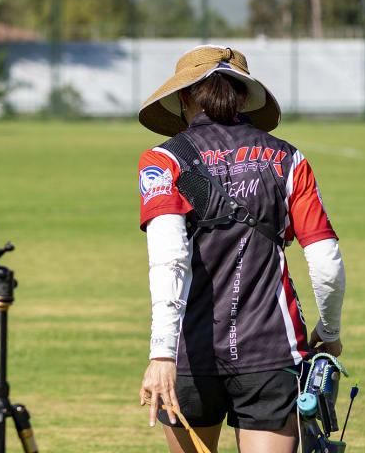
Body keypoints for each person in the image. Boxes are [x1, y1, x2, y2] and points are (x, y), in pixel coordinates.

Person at [134, 45, 345, 453]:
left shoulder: (162, 160)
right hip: (271, 350)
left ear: (182, 98)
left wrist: (161, 354)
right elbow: (325, 261)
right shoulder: (289, 158)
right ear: (245, 96)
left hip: (189, 356)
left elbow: (168, 260)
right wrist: (330, 331)